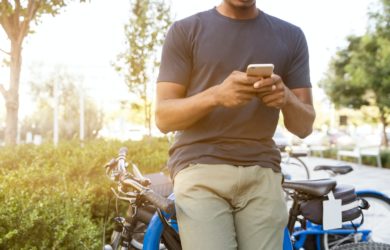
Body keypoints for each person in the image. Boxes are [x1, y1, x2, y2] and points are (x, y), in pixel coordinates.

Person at [155, 0, 315, 249]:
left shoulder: (290, 36)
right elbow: (163, 117)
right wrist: (216, 96)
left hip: (262, 171)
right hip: (200, 167)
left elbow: (304, 126)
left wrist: (286, 98)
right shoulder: (185, 31)